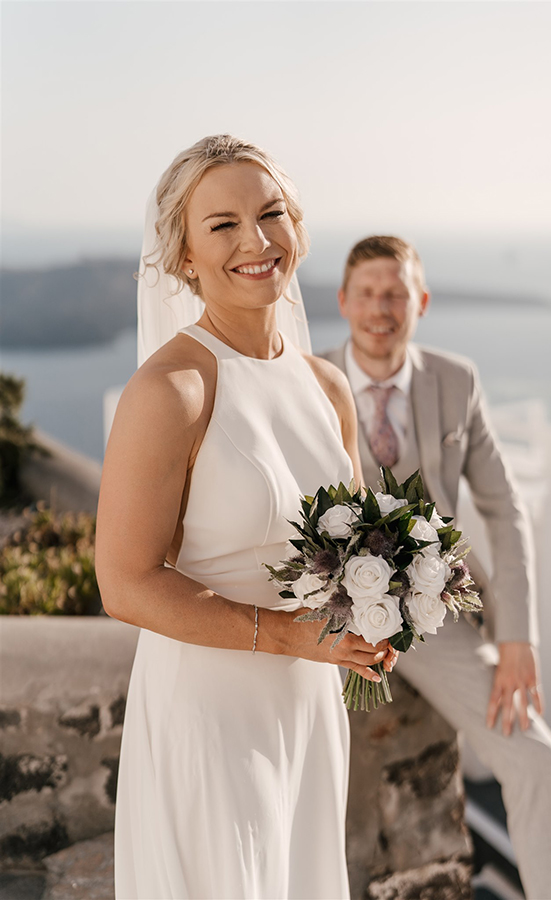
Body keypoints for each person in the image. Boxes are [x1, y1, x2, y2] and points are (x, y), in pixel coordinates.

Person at [95, 137, 398, 900]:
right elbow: (125, 585)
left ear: (295, 225)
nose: (256, 242)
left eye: (270, 215)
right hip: (210, 713)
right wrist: (288, 635)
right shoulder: (171, 391)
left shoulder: (328, 386)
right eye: (223, 224)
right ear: (185, 256)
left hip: (309, 706)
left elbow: (355, 546)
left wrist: (391, 606)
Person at [322, 235, 551, 900]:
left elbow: (505, 510)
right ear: (343, 302)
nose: (381, 308)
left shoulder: (456, 379)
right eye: (368, 294)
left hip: (433, 616)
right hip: (324, 623)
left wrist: (517, 637)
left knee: (537, 759)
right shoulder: (309, 378)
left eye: (396, 294)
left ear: (421, 301)